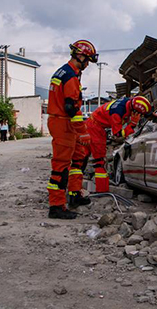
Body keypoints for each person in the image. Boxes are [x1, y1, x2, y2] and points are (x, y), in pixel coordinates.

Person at [46, 40, 98, 219]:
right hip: (63, 124)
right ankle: (56, 206)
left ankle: (75, 194)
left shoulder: (63, 72)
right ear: (80, 56)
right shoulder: (70, 77)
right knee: (60, 166)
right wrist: (82, 131)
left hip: (62, 121)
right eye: (88, 60)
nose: (88, 64)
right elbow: (71, 108)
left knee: (79, 156)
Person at [86, 95, 153, 192]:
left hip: (95, 125)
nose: (140, 117)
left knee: (89, 158)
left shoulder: (129, 102)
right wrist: (132, 124)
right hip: (95, 128)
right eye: (140, 115)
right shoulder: (117, 113)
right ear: (134, 112)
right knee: (100, 161)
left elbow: (140, 105)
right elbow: (117, 134)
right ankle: (101, 190)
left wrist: (150, 114)